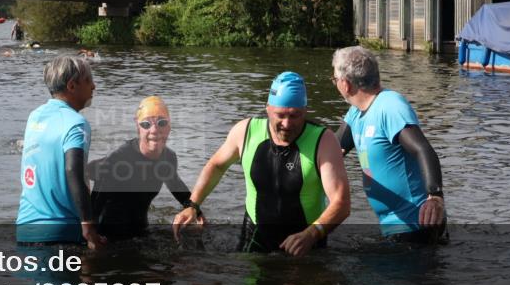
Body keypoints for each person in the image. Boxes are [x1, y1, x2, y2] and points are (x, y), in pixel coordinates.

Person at [173, 72, 350, 256]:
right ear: (268, 109)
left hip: (307, 241)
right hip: (255, 237)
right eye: (280, 115)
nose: (287, 124)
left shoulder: (323, 141)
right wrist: (192, 205)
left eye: (295, 115)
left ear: (305, 111)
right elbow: (217, 165)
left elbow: (341, 203)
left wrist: (312, 234)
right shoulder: (246, 131)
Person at [331, 46, 446, 242]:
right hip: (393, 226)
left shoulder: (390, 106)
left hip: (416, 225)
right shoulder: (356, 112)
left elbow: (422, 150)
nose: (335, 84)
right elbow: (332, 150)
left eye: (334, 79)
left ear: (345, 84)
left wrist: (435, 197)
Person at [16, 56, 105, 248]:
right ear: (72, 86)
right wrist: (88, 226)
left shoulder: (35, 116)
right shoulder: (76, 123)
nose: (94, 86)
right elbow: (73, 169)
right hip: (60, 234)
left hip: (25, 230)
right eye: (89, 80)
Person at [87, 97, 192, 240]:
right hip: (108, 236)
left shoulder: (169, 158)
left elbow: (178, 189)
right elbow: (94, 208)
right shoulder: (119, 159)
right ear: (138, 126)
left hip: (142, 232)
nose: (154, 130)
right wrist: (92, 239)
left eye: (162, 123)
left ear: (169, 126)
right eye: (146, 124)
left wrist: (195, 210)